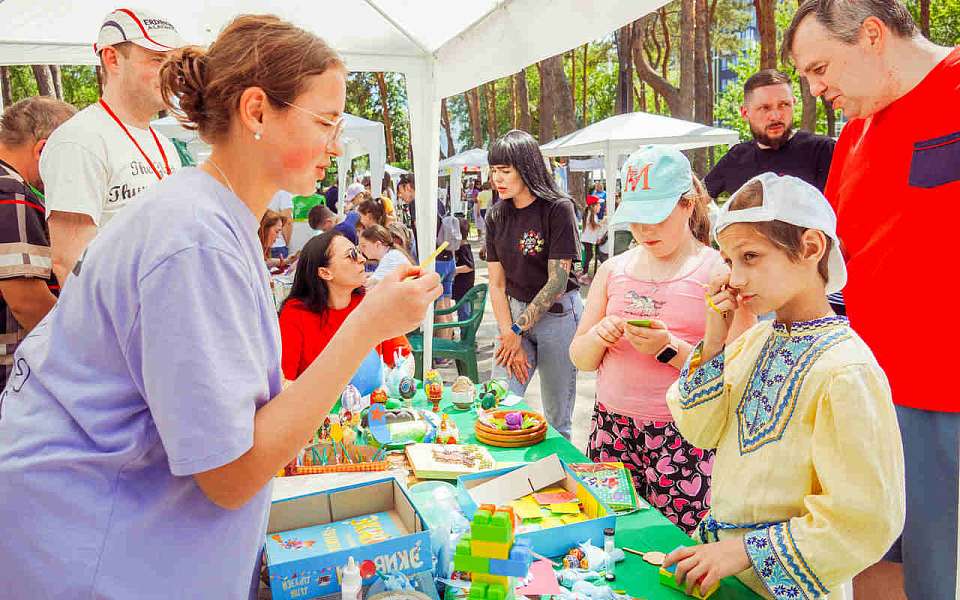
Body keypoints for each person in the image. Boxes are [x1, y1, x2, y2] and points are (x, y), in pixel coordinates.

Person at [0, 15, 441, 598]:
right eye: (326, 121)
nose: (336, 146)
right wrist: (366, 324)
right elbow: (230, 475)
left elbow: (223, 396)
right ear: (256, 111)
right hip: (92, 554)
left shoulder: (202, 215)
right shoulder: (194, 239)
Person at [784, 2, 959, 598]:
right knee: (875, 557)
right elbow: (832, 264)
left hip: (946, 396)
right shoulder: (855, 133)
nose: (815, 89)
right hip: (870, 393)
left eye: (820, 67)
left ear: (872, 35)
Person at [661, 174, 904, 600]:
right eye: (730, 261)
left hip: (791, 587)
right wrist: (715, 339)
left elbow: (868, 517)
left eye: (750, 257)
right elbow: (699, 429)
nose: (734, 278)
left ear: (810, 248)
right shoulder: (756, 340)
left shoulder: (847, 371)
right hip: (725, 572)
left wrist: (746, 551)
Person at [569, 146, 753, 533]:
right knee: (609, 539)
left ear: (689, 205)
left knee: (674, 546)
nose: (644, 230)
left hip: (684, 437)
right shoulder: (613, 269)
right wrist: (599, 337)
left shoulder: (718, 272)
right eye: (636, 218)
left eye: (656, 217)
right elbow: (581, 359)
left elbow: (741, 374)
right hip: (611, 430)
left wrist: (669, 350)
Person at [40, 8, 186, 286]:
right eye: (157, 60)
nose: (172, 74)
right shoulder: (80, 140)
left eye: (173, 62)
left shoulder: (165, 145)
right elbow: (70, 262)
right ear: (112, 59)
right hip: (122, 325)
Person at [485, 130, 582, 440]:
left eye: (505, 170)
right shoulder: (496, 215)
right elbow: (497, 284)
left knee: (557, 419)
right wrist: (508, 333)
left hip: (558, 318)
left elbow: (557, 281)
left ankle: (556, 481)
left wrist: (516, 331)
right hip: (512, 319)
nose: (497, 178)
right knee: (497, 405)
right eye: (494, 170)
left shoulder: (558, 209)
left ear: (526, 167)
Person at [0, 97, 76, 389]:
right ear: (43, 150)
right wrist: (73, 350)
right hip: (10, 369)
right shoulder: (11, 189)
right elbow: (26, 299)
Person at [279, 231, 413, 391]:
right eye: (352, 255)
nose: (362, 259)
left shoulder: (370, 302)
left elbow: (402, 356)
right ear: (325, 273)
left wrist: (397, 379)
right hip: (317, 413)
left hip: (370, 412)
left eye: (357, 251)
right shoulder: (295, 313)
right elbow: (284, 382)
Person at [704, 69, 835, 198]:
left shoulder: (823, 150)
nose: (775, 116)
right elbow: (695, 200)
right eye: (765, 108)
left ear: (793, 103)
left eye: (784, 104)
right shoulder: (736, 158)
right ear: (745, 112)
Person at [578, 195, 607, 283]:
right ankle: (583, 275)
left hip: (587, 240)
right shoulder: (591, 215)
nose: (600, 207)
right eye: (598, 205)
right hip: (587, 240)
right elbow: (594, 227)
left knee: (588, 256)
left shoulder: (591, 214)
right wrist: (603, 223)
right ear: (593, 206)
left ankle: (583, 274)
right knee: (588, 256)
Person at [452, 217, 476, 322]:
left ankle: (466, 334)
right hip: (461, 287)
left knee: (464, 314)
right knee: (462, 312)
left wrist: (454, 270)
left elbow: (469, 266)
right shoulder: (459, 248)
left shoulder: (464, 248)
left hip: (464, 288)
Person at [267, 189, 294, 258]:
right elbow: (287, 221)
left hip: (258, 244)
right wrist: (287, 244)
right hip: (277, 246)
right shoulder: (284, 192)